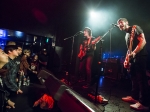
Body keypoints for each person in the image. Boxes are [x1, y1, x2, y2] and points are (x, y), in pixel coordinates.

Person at [117, 18, 149, 111]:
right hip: (133, 58)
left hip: (140, 56)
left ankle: (144, 103)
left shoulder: (135, 28)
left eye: (121, 22)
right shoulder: (127, 35)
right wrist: (126, 60)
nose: (119, 24)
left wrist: (134, 53)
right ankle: (134, 97)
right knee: (134, 78)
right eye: (118, 24)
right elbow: (129, 49)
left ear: (127, 22)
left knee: (141, 79)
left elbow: (143, 41)